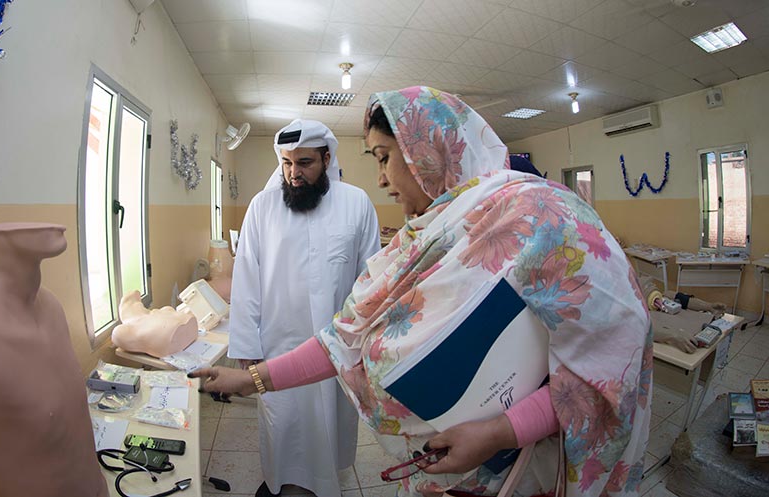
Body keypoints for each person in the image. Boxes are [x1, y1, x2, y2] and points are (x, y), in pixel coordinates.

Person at [194, 88, 652, 497]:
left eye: (383, 156)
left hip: (534, 466)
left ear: (426, 153)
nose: (380, 179)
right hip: (444, 463)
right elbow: (346, 338)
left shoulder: (543, 219)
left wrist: (501, 431)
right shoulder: (427, 236)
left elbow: (610, 361)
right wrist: (249, 375)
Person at [227, 119, 380, 497]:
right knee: (283, 425)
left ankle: (326, 483)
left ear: (327, 158)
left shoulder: (356, 202)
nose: (294, 173)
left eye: (305, 163)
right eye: (287, 163)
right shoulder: (263, 207)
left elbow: (371, 279)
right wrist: (246, 345)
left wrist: (368, 346)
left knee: (331, 425)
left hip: (337, 351)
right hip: (279, 345)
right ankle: (282, 482)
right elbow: (246, 277)